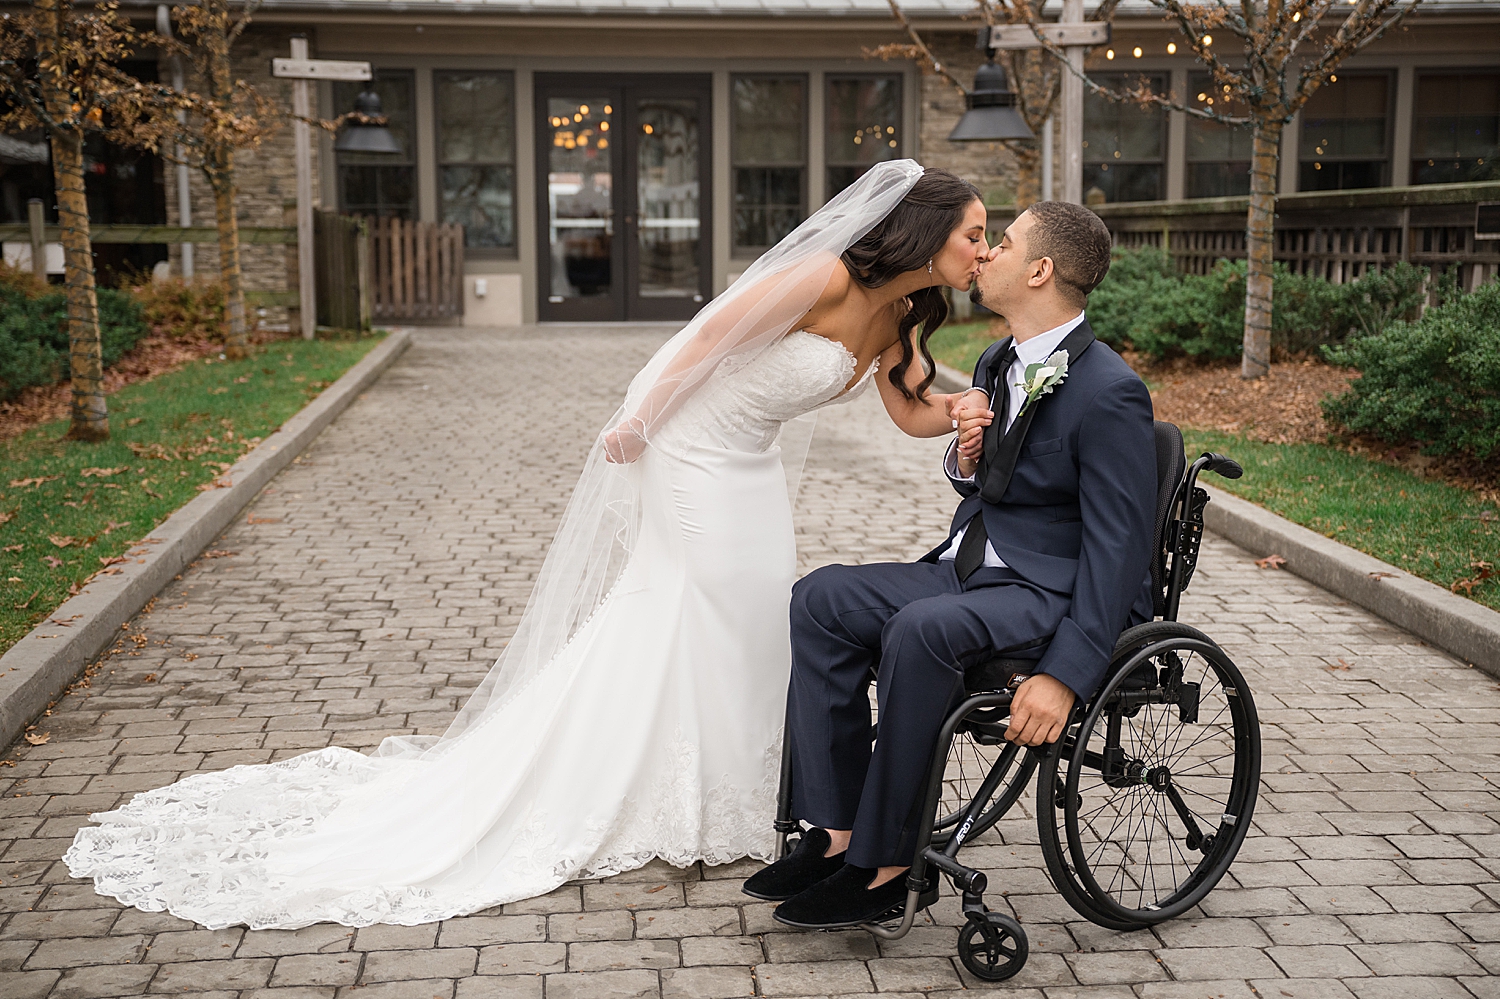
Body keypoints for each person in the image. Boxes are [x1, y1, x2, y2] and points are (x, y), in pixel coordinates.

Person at [63, 162, 995, 931]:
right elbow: (706, 335)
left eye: (990, 238)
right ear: (921, 232)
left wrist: (954, 410)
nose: (983, 249)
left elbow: (909, 407)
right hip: (692, 449)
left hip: (750, 467)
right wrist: (638, 417)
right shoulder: (827, 278)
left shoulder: (907, 316)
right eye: (973, 233)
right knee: (706, 601)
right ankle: (657, 791)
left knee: (755, 619)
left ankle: (752, 804)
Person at [743, 201, 1159, 928]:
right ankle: (838, 835)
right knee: (820, 597)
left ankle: (887, 867)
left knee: (923, 629)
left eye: (1001, 243)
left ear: (1040, 269)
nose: (985, 255)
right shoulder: (1001, 361)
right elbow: (994, 480)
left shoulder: (1110, 390)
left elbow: (1118, 550)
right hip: (969, 567)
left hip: (1046, 593)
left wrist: (1064, 674)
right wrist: (965, 457)